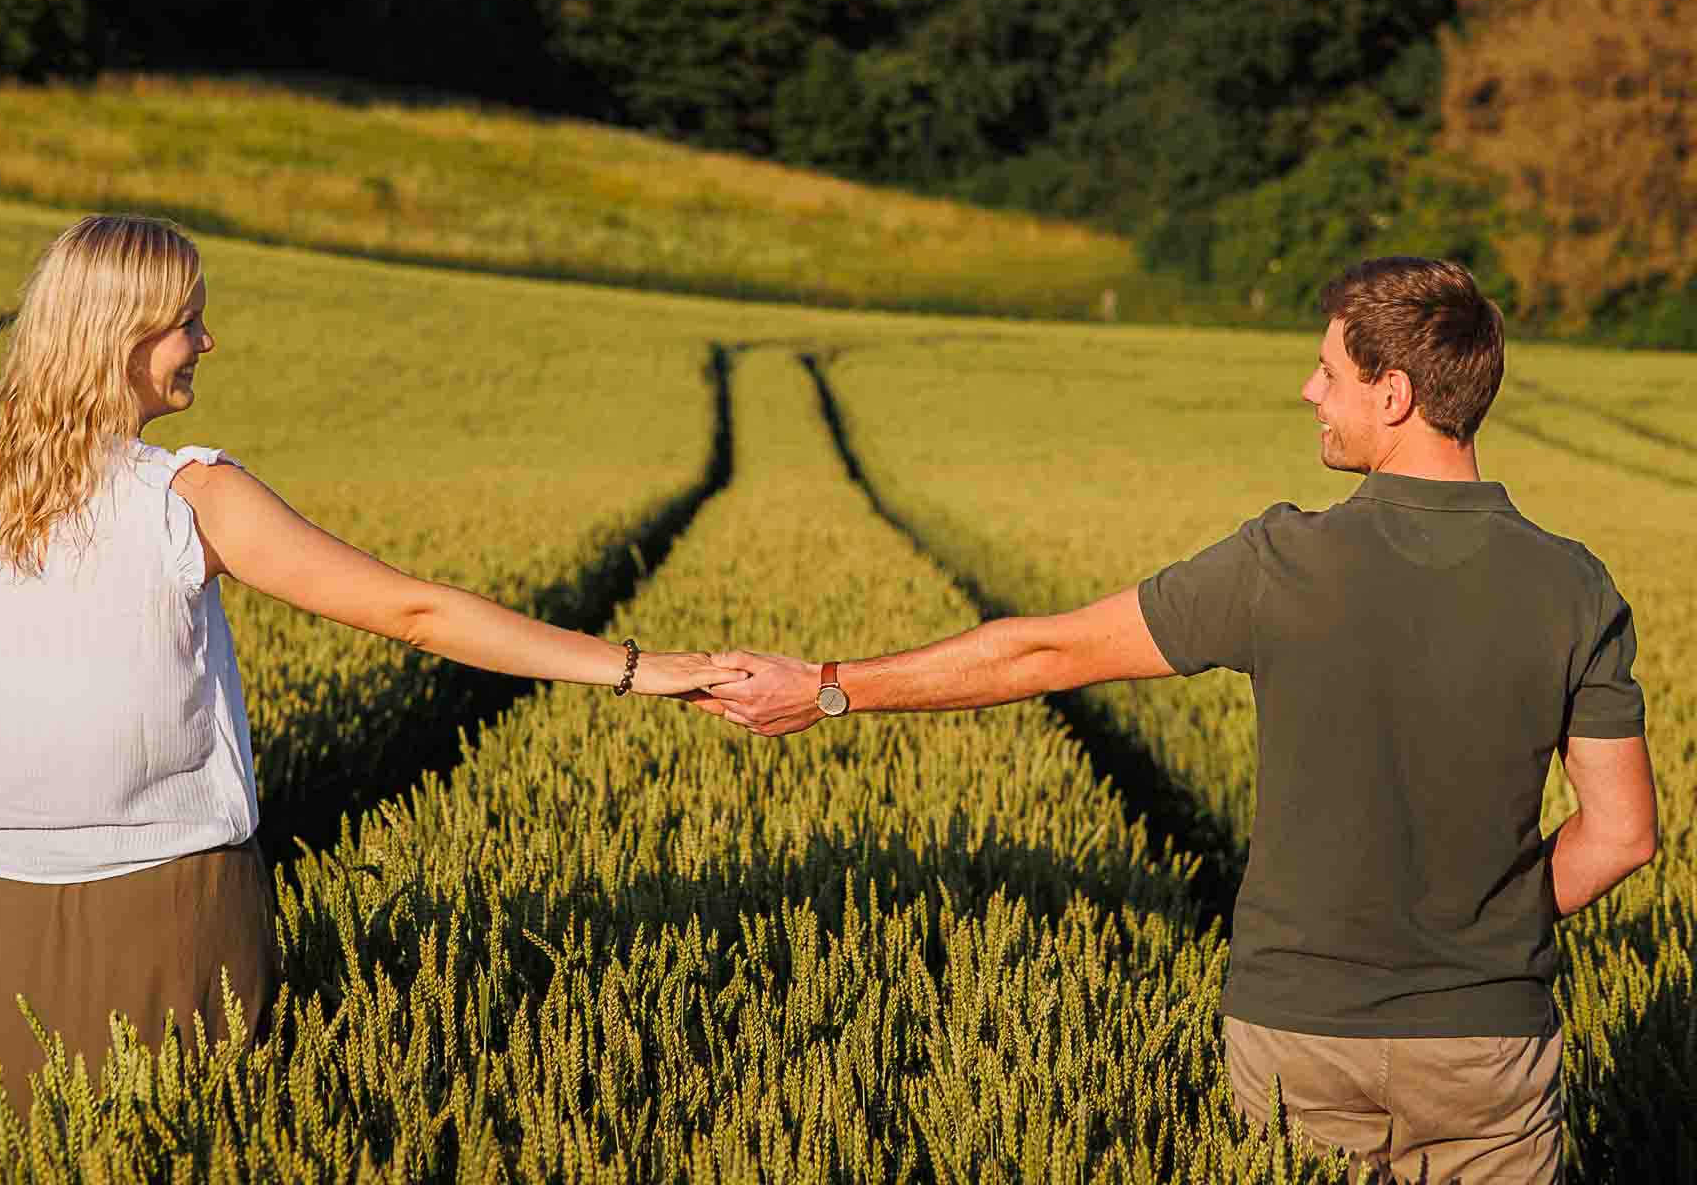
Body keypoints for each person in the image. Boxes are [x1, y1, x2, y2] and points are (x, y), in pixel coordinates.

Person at [701, 257, 1657, 1184]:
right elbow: (1621, 835)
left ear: (1394, 394)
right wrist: (1477, 935)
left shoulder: (1284, 563)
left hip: (1300, 1035)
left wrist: (826, 686)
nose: (1308, 391)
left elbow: (1044, 653)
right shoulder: (1573, 586)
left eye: (1328, 371)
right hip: (1485, 1045)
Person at [0, 214, 743, 1114]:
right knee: (179, 1139)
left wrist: (27, 843)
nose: (206, 340)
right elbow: (414, 612)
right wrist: (633, 667)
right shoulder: (183, 497)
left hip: (0, 910)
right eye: (186, 321)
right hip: (170, 903)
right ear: (120, 332)